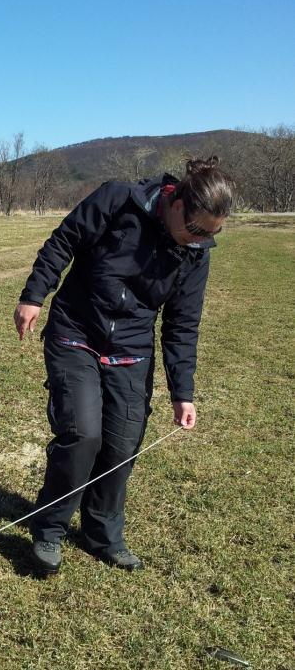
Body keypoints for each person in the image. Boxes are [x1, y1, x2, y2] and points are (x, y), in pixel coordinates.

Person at [14, 157, 234, 574]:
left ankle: (103, 534)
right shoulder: (119, 199)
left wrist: (182, 392)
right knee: (82, 433)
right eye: (196, 229)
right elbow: (63, 241)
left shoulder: (195, 253)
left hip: (131, 350)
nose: (199, 240)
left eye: (210, 235)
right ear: (177, 202)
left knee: (121, 444)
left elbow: (182, 325)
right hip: (75, 331)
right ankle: (50, 528)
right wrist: (34, 295)